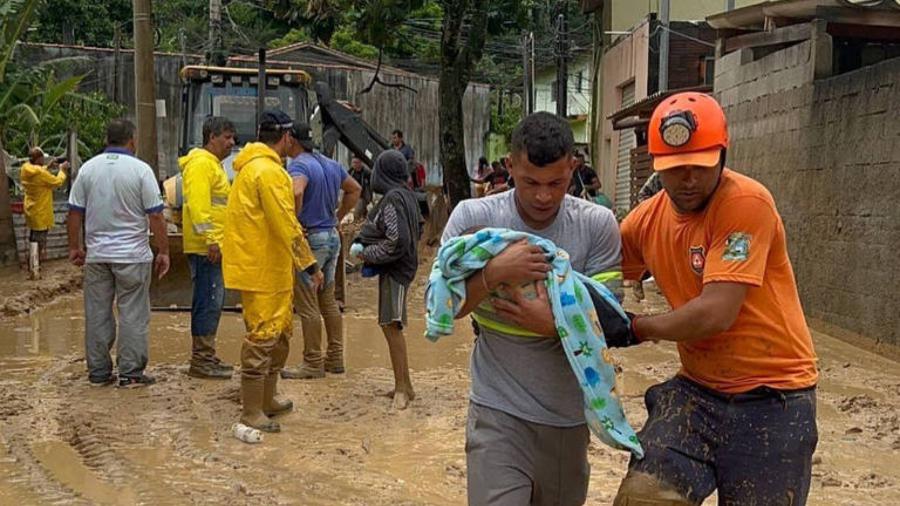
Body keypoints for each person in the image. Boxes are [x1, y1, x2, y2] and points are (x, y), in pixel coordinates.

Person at [614, 92, 818, 505]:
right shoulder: (644, 222)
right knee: (644, 497)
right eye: (675, 168)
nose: (688, 179)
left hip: (773, 399)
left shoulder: (745, 203)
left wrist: (637, 328)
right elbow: (594, 277)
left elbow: (716, 312)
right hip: (697, 393)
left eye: (699, 166)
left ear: (722, 156)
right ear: (657, 166)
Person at [441, 112, 624, 505]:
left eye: (555, 183)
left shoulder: (597, 225)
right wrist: (494, 272)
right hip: (497, 412)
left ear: (573, 167)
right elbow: (445, 306)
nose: (543, 196)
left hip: (568, 421)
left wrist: (554, 325)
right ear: (510, 166)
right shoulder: (474, 219)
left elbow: (612, 322)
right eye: (530, 182)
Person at [221, 110, 322, 433]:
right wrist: (309, 263)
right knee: (263, 338)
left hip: (264, 267)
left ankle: (267, 398)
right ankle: (252, 410)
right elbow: (286, 223)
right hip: (263, 269)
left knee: (278, 334)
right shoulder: (269, 173)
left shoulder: (251, 169)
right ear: (287, 137)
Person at [67, 119, 170, 388]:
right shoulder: (141, 170)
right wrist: (164, 251)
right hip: (133, 256)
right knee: (133, 314)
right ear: (132, 140)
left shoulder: (87, 170)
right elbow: (156, 216)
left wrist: (75, 247)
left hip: (97, 256)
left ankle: (99, 372)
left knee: (97, 313)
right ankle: (130, 373)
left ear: (107, 139)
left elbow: (74, 213)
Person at [281, 123, 361, 379]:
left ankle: (313, 362)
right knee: (328, 300)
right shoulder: (330, 164)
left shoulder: (299, 166)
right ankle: (335, 357)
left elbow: (296, 190)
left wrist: (295, 221)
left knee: (307, 303)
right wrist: (338, 216)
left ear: (291, 140)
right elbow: (355, 189)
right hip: (332, 237)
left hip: (312, 239)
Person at [349, 150, 423, 410]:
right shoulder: (408, 195)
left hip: (396, 269)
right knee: (390, 324)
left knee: (392, 325)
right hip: (403, 266)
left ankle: (403, 388)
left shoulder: (393, 199)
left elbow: (396, 240)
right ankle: (405, 384)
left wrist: (368, 254)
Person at [179, 116, 236, 379]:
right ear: (211, 137)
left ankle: (206, 356)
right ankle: (201, 360)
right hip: (207, 248)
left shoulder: (212, 165)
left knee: (213, 301)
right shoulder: (202, 164)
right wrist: (211, 239)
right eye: (227, 137)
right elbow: (199, 206)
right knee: (208, 301)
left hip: (213, 245)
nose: (231, 143)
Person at [21, 147, 69, 269]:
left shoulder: (25, 168)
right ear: (39, 159)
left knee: (33, 239)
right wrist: (62, 170)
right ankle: (34, 267)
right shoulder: (41, 174)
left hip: (31, 209)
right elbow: (57, 182)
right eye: (42, 158)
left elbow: (38, 173)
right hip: (41, 212)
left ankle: (32, 264)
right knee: (39, 241)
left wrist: (48, 166)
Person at [349, 155, 372, 219]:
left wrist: (370, 197)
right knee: (362, 213)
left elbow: (371, 185)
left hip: (362, 195)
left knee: (357, 213)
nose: (354, 164)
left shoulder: (366, 172)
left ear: (360, 163)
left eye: (355, 162)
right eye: (353, 163)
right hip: (353, 194)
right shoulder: (351, 171)